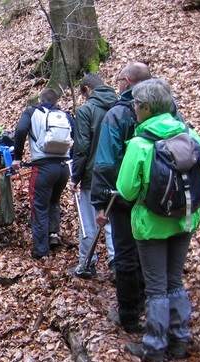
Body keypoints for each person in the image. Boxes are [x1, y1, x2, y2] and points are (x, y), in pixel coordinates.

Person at [117, 78, 200, 362]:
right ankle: (180, 339)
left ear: (146, 108)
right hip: (184, 222)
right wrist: (198, 214)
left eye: (135, 104)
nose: (133, 109)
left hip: (151, 226)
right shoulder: (192, 136)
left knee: (157, 286)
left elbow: (126, 190)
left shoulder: (140, 144)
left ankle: (154, 347)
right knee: (175, 281)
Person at [90, 62, 151, 333]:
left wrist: (100, 202)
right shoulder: (167, 110)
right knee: (148, 250)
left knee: (126, 252)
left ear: (126, 82)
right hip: (156, 196)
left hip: (123, 196)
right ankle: (150, 303)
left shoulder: (117, 115)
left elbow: (104, 162)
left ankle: (129, 315)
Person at [13, 87, 73, 259]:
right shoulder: (65, 115)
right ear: (56, 102)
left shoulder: (31, 112)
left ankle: (41, 252)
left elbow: (20, 131)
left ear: (39, 100)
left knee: (39, 207)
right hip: (63, 167)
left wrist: (17, 157)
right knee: (54, 201)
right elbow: (77, 137)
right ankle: (53, 234)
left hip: (43, 168)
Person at [68, 74, 118, 279]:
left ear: (87, 89)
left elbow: (82, 147)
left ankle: (87, 263)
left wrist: (75, 177)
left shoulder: (86, 110)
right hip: (119, 175)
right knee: (114, 220)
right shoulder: (121, 107)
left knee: (89, 220)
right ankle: (117, 263)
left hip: (93, 173)